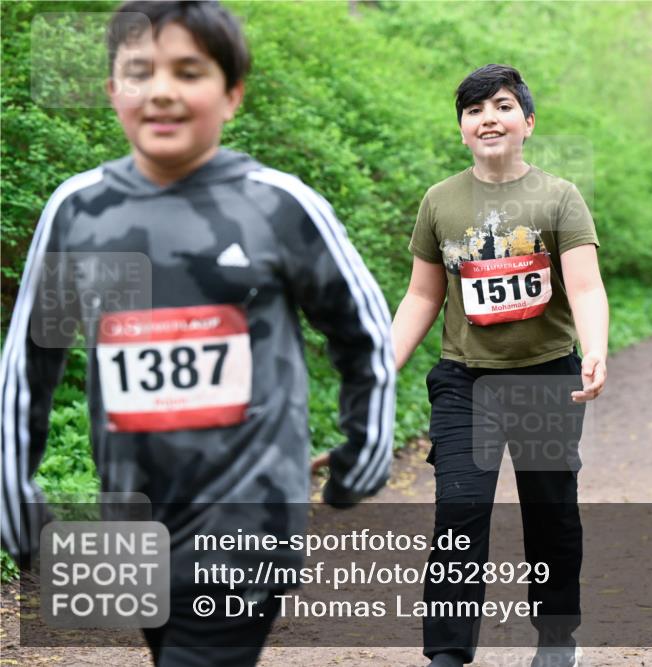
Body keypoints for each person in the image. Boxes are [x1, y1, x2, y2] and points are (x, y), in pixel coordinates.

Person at [0, 1, 395, 664]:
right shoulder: (78, 212)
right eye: (139, 71)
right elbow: (28, 369)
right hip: (134, 524)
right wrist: (15, 494)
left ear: (231, 94)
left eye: (188, 71)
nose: (161, 90)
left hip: (248, 524)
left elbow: (364, 333)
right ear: (111, 90)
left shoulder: (280, 205)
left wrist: (367, 447)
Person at [394, 63, 608, 667]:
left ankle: (557, 638)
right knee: (459, 509)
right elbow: (422, 296)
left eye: (503, 106)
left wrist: (594, 349)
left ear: (527, 122)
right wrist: (383, 367)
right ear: (462, 129)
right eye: (474, 110)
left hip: (546, 376)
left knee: (551, 511)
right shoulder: (440, 201)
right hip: (467, 381)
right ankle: (447, 654)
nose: (488, 118)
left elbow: (586, 288)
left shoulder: (559, 196)